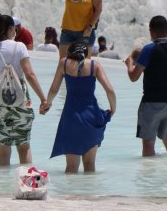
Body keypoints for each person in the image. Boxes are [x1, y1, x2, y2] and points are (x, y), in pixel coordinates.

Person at [0, 13, 48, 166]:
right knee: (24, 147)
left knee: (3, 150)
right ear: (11, 29)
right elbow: (29, 75)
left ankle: (3, 187)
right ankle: (27, 183)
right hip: (21, 103)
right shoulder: (20, 47)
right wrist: (43, 99)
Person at [41, 41, 117, 173]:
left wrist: (48, 103)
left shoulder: (64, 63)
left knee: (71, 167)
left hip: (71, 117)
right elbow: (110, 90)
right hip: (92, 116)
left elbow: (54, 89)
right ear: (86, 54)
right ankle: (88, 194)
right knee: (89, 164)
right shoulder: (95, 66)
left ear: (70, 53)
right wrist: (113, 109)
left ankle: (70, 194)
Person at [125, 15, 167, 157]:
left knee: (148, 144)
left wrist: (129, 63)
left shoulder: (149, 49)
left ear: (151, 32)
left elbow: (133, 77)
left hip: (152, 103)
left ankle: (149, 177)